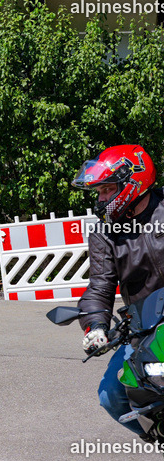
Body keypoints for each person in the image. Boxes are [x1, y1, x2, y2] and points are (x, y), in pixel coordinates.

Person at [72, 144, 164, 435]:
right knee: (111, 394)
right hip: (144, 328)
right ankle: (159, 436)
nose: (101, 199)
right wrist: (95, 327)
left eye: (107, 189)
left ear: (132, 181)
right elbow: (100, 285)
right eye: (99, 192)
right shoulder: (104, 233)